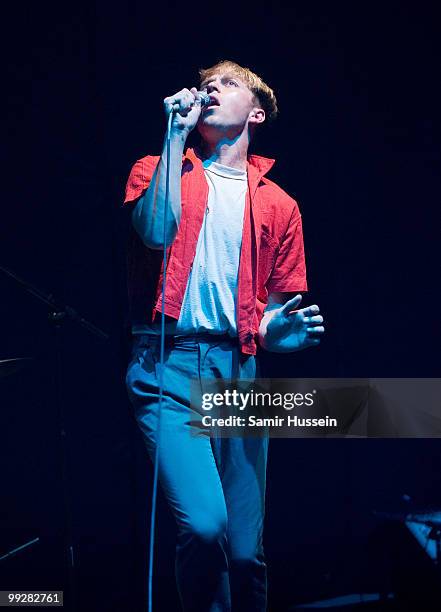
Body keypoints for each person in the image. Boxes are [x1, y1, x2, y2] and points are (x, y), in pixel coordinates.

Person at [123, 60, 325, 612]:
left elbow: (271, 323)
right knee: (207, 526)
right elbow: (156, 229)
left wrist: (280, 331)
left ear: (256, 112)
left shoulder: (281, 205)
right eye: (205, 82)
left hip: (239, 373)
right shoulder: (160, 167)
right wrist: (174, 133)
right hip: (169, 366)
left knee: (243, 549)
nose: (211, 88)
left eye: (227, 83)